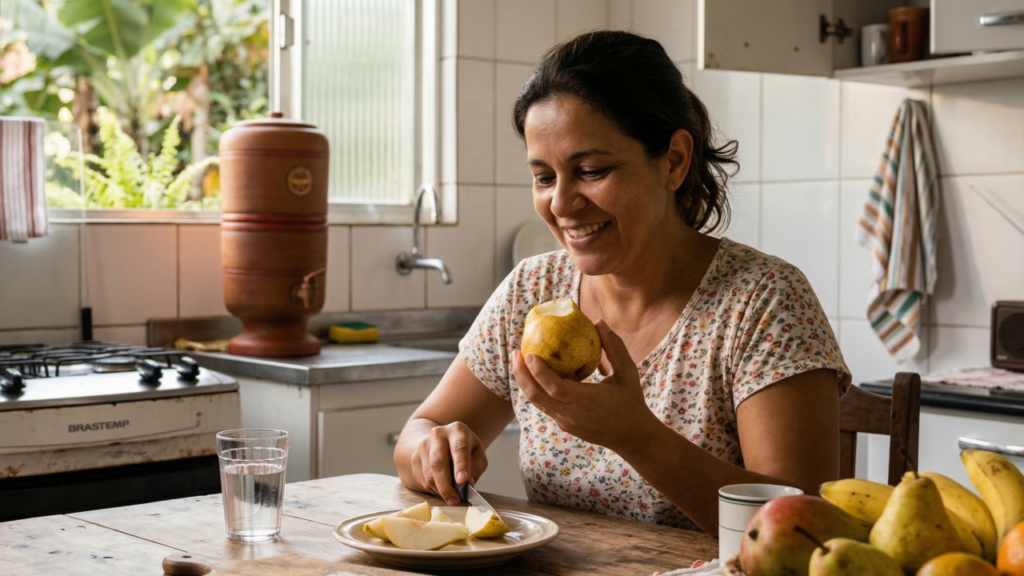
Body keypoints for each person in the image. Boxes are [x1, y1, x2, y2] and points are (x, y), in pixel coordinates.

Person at [393, 30, 850, 534]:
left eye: (591, 170)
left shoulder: (763, 301)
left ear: (674, 160)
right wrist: (433, 449)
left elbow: (803, 531)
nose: (562, 204)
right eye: (544, 177)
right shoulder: (532, 290)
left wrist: (636, 437)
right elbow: (418, 432)